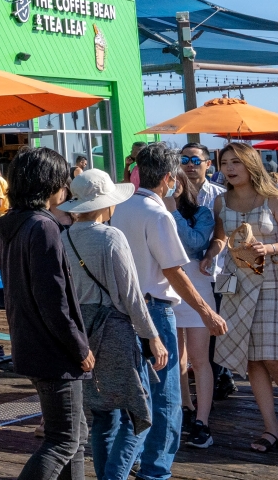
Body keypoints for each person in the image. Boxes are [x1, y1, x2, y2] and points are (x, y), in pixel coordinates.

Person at [112, 142, 226, 477]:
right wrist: (206, 312)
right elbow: (174, 271)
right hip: (156, 309)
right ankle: (155, 471)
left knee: (138, 396)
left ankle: (130, 463)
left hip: (126, 308)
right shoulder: (159, 214)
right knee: (165, 400)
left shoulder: (120, 208)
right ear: (167, 178)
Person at [60, 169, 168, 480]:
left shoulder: (63, 238)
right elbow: (131, 294)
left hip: (81, 332)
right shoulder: (111, 237)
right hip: (114, 329)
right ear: (105, 204)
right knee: (138, 415)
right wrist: (152, 336)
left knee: (103, 417)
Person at [0, 148, 90, 480]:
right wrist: (79, 346)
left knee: (75, 437)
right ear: (49, 184)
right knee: (63, 441)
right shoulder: (42, 226)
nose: (65, 189)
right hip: (55, 350)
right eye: (62, 182)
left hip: (30, 343)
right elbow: (53, 299)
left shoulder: (12, 225)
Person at [206, 141, 278, 451]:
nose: (229, 168)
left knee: (272, 357)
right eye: (224, 163)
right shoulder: (221, 201)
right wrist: (210, 254)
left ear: (250, 164)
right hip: (236, 284)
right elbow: (220, 239)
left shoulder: (272, 198)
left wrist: (270, 247)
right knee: (251, 360)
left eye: (235, 162)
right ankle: (271, 429)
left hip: (271, 283)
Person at [169, 151, 217, 449]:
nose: (172, 185)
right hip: (169, 292)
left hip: (198, 289)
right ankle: (184, 408)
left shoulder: (203, 213)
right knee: (176, 360)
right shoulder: (158, 212)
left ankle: (202, 421)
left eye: (177, 181)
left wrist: (172, 211)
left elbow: (194, 243)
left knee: (200, 360)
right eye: (169, 180)